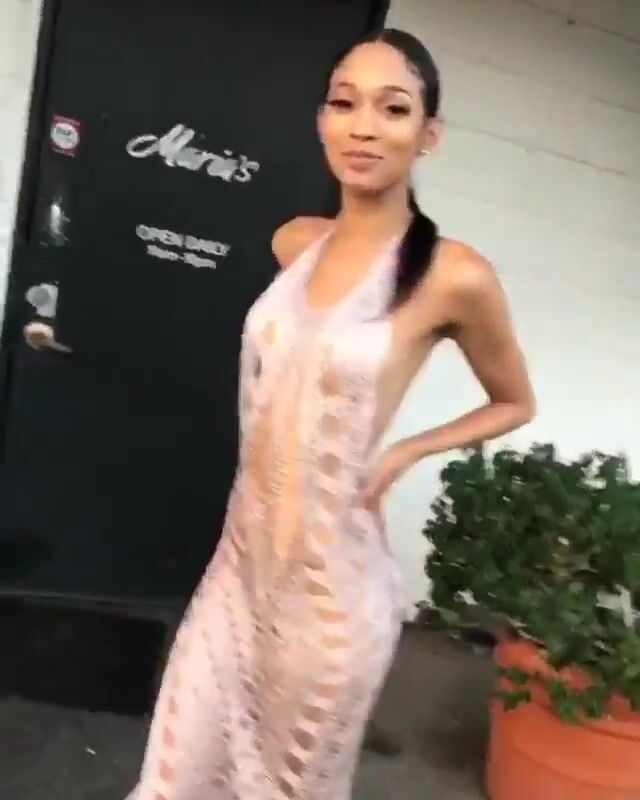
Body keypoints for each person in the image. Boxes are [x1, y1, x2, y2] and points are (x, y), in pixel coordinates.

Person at [126, 28, 535, 800]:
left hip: (330, 605)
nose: (364, 127)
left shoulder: (453, 275)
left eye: (394, 108)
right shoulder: (295, 244)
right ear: (322, 121)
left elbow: (516, 400)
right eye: (345, 104)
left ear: (429, 134)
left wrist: (405, 452)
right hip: (237, 578)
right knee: (173, 780)